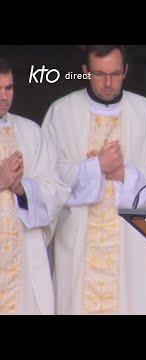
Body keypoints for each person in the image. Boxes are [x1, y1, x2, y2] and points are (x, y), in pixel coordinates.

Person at [41, 45, 146, 315]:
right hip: (78, 240)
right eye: (99, 74)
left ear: (125, 71)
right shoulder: (62, 112)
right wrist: (95, 167)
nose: (107, 83)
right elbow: (47, 177)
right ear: (84, 72)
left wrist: (124, 174)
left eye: (115, 74)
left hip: (132, 245)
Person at [0, 57, 70, 314]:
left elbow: (56, 190)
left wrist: (22, 189)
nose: (4, 96)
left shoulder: (30, 132)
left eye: (9, 88)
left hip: (23, 262)